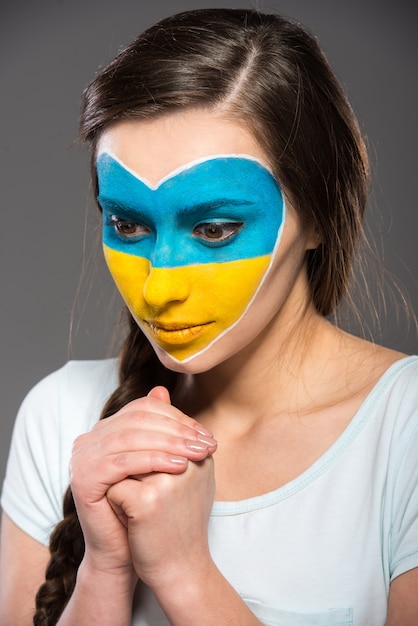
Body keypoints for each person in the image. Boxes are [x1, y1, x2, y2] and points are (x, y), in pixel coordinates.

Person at [0, 7, 417, 626]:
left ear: (322, 212)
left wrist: (183, 571)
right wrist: (105, 569)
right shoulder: (58, 415)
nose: (160, 287)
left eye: (215, 229)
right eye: (128, 224)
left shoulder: (406, 432)